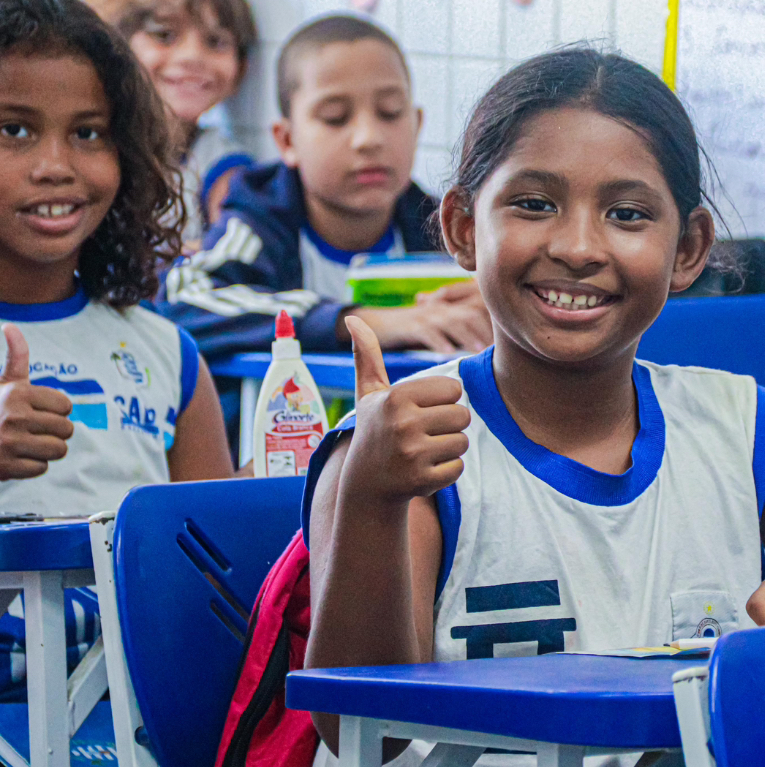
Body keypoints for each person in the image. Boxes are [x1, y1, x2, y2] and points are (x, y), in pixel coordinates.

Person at [303, 47, 765, 764]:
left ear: (689, 248)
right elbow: (363, 732)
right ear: (461, 226)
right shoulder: (403, 448)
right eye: (534, 203)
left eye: (628, 213)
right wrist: (372, 494)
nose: (579, 246)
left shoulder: (739, 428)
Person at [0, 0, 233, 693]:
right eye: (14, 129)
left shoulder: (166, 353)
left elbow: (214, 579)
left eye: (89, 133)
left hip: (136, 720)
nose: (56, 166)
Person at [159, 14, 492, 359]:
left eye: (390, 113)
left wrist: (497, 303)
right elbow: (180, 299)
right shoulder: (258, 224)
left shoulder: (448, 234)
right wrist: (364, 323)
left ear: (417, 124)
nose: (369, 138)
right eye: (335, 117)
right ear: (287, 140)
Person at [115, 0, 256, 243]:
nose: (192, 56)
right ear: (118, 46)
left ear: (241, 68)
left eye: (216, 42)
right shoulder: (96, 145)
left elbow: (237, 240)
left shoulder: (219, 162)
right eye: (164, 35)